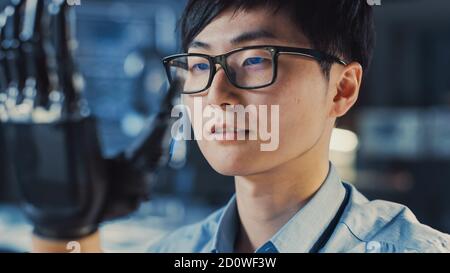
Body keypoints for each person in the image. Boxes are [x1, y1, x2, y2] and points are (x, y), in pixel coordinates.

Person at [33, 0, 449, 253]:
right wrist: (66, 232)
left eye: (254, 59)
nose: (216, 95)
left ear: (342, 88)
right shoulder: (173, 249)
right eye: (199, 65)